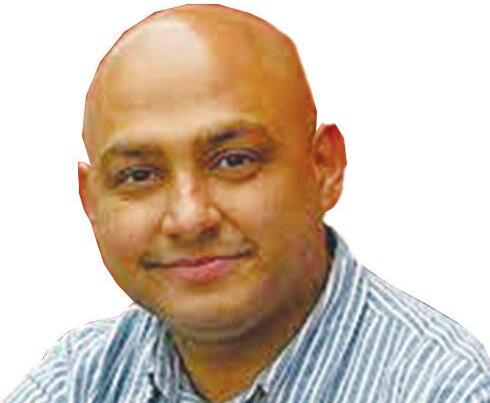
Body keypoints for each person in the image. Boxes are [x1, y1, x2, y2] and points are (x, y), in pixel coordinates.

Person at [6, 4, 490, 403]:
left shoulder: (441, 388)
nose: (189, 218)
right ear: (91, 200)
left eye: (233, 161)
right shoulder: (79, 381)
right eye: (139, 175)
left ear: (324, 168)